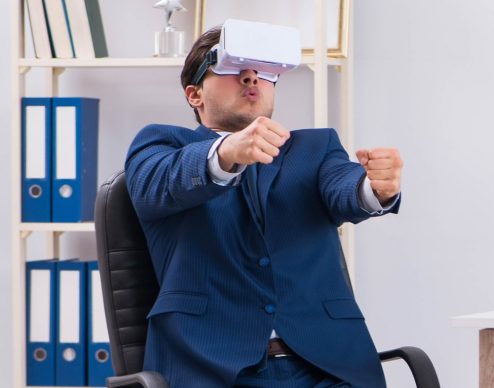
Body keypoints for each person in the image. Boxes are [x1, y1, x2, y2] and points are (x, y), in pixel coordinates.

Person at [125, 25, 401, 388]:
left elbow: (344, 188)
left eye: (262, 71)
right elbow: (155, 184)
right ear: (194, 95)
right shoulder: (161, 145)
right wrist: (225, 153)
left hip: (328, 369)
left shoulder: (316, 150)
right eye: (229, 67)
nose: (250, 76)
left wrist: (374, 188)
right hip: (211, 368)